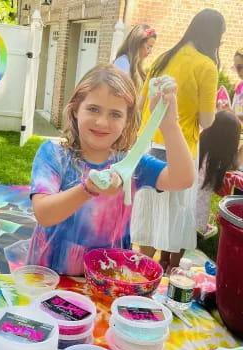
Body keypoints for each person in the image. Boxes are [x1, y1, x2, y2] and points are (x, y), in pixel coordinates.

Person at [26, 64, 194, 276]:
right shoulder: (54, 155)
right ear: (76, 109)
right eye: (93, 109)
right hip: (50, 275)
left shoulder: (133, 163)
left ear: (126, 121)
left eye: (115, 114)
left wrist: (169, 124)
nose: (102, 122)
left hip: (108, 279)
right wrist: (87, 189)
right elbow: (44, 214)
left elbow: (183, 179)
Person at [131, 9, 226, 272]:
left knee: (149, 214)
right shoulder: (206, 65)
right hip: (179, 147)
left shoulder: (163, 58)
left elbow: (141, 104)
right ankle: (162, 274)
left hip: (148, 145)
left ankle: (138, 272)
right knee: (174, 214)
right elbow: (207, 121)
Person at [196, 111, 243, 238]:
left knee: (172, 238)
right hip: (196, 211)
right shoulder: (217, 160)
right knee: (183, 241)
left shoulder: (198, 145)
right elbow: (234, 166)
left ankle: (164, 257)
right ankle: (174, 259)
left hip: (179, 202)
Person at [114, 24, 157, 92]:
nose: (150, 52)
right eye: (148, 47)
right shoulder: (122, 63)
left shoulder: (137, 65)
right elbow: (119, 93)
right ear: (138, 44)